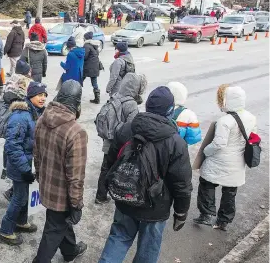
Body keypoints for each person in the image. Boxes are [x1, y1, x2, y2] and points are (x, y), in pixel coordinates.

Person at [98, 86, 193, 263]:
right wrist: (181, 212)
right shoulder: (175, 142)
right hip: (155, 206)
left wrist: (103, 187)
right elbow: (181, 184)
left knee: (118, 237)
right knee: (148, 249)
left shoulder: (127, 129)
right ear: (170, 111)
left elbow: (110, 162)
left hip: (125, 196)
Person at [33, 79, 88, 263]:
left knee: (59, 222)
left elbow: (37, 155)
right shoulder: (76, 132)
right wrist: (76, 204)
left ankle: (70, 251)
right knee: (54, 229)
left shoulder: (42, 119)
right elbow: (76, 177)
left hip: (47, 186)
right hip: (62, 195)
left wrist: (40, 178)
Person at [194, 85, 257, 231]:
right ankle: (224, 220)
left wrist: (206, 151)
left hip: (219, 161)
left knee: (206, 183)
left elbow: (219, 144)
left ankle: (207, 214)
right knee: (230, 191)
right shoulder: (251, 118)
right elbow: (253, 137)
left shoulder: (225, 121)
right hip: (238, 162)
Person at [0, 81, 47, 246]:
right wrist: (25, 169)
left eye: (44, 95)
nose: (43, 98)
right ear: (30, 96)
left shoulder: (36, 112)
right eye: (39, 95)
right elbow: (12, 145)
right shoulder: (21, 116)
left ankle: (20, 221)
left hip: (29, 164)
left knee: (24, 195)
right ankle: (5, 230)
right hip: (20, 166)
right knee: (19, 198)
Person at [94, 73, 147, 204]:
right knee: (119, 169)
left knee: (105, 167)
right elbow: (131, 127)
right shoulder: (131, 104)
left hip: (108, 139)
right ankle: (118, 193)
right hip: (120, 143)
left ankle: (100, 195)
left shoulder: (115, 96)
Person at [82, 32, 102, 104]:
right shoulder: (94, 45)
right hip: (95, 67)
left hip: (88, 67)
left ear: (86, 38)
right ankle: (97, 99)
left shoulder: (86, 45)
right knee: (94, 83)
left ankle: (75, 95)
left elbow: (84, 56)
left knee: (79, 81)